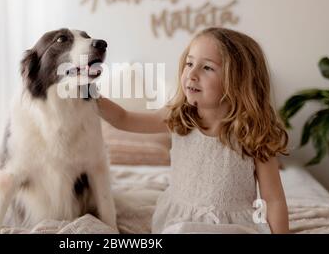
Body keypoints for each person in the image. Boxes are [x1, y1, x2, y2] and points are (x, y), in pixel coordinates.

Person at [98, 27, 289, 233]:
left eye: (207, 67)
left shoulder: (254, 134)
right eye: (189, 63)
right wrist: (91, 95)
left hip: (233, 226)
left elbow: (274, 199)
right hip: (178, 221)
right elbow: (123, 119)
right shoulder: (179, 118)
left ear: (238, 81)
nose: (192, 73)